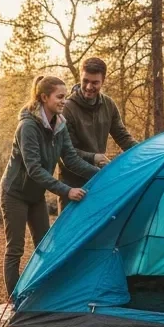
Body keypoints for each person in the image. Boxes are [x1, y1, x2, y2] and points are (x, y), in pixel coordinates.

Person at [0, 74, 100, 296]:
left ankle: (42, 296)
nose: (64, 101)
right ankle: (14, 302)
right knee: (15, 249)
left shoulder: (60, 125)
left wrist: (102, 174)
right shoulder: (27, 127)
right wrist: (67, 190)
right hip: (15, 193)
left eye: (65, 96)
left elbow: (71, 159)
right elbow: (34, 169)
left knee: (44, 247)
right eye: (60, 97)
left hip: (36, 196)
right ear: (44, 97)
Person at [57, 56, 137, 212]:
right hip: (71, 184)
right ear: (80, 77)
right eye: (85, 81)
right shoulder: (67, 109)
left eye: (94, 83)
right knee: (70, 234)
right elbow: (66, 153)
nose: (88, 87)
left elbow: (123, 137)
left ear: (103, 81)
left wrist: (146, 153)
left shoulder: (109, 105)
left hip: (98, 182)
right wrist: (94, 158)